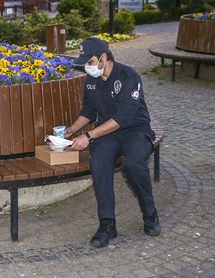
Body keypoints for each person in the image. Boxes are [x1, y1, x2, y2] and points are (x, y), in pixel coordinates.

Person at [65, 37, 161, 248]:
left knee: (133, 164)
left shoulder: (129, 76)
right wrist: (72, 129)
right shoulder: (91, 80)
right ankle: (107, 224)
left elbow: (124, 118)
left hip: (136, 130)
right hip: (108, 133)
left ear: (104, 57)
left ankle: (150, 213)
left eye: (89, 62)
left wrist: (88, 136)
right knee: (98, 162)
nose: (87, 68)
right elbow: (89, 110)